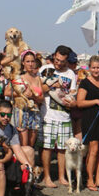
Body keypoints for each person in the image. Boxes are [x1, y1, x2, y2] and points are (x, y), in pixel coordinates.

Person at [40, 46, 77, 188]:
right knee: (47, 147)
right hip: (48, 115)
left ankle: (62, 176)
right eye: (57, 60)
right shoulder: (46, 69)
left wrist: (70, 96)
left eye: (62, 61)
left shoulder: (71, 74)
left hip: (65, 115)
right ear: (54, 56)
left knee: (62, 149)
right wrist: (52, 85)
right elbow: (39, 89)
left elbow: (73, 91)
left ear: (67, 60)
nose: (58, 63)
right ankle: (47, 177)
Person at [76, 55, 99, 191]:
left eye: (98, 67)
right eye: (94, 67)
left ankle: (98, 178)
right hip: (90, 118)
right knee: (93, 150)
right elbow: (79, 102)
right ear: (90, 68)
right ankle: (89, 178)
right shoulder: (85, 82)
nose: (96, 70)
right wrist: (95, 101)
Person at [6, 50, 45, 148]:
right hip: (21, 111)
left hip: (35, 112)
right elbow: (7, 92)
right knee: (23, 145)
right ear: (23, 62)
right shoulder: (18, 77)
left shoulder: (37, 78)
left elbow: (41, 98)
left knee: (31, 145)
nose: (30, 64)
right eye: (28, 61)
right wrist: (21, 94)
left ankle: (30, 162)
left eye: (32, 61)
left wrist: (32, 96)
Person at [0, 101, 35, 169]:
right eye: (2, 114)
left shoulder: (12, 129)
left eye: (9, 115)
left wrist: (27, 165)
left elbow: (17, 150)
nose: (6, 117)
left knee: (29, 150)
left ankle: (29, 175)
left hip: (6, 155)